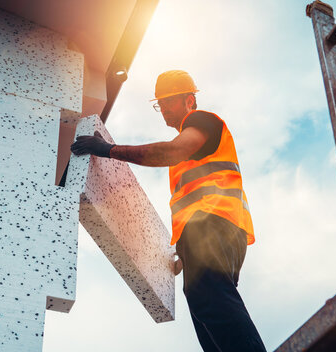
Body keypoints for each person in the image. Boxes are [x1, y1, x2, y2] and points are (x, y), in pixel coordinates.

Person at [71, 70, 266, 352]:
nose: (163, 109)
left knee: (209, 296)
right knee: (204, 308)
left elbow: (170, 152)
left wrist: (108, 150)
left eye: (169, 101)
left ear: (189, 100)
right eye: (159, 103)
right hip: (213, 230)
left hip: (214, 221)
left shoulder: (201, 121)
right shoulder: (191, 154)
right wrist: (185, 253)